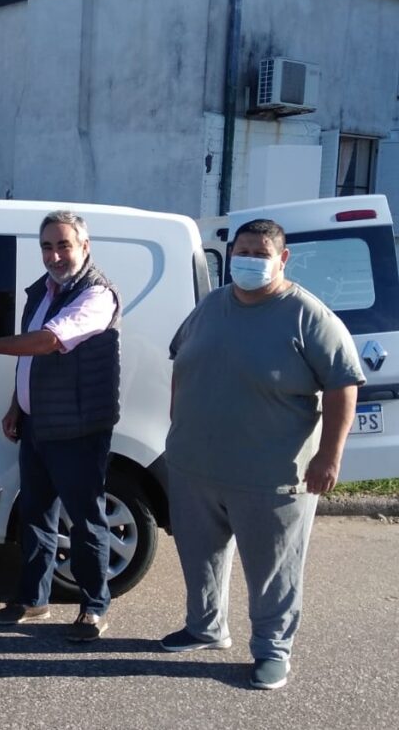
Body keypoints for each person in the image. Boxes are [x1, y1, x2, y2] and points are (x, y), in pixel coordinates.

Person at [159, 218, 365, 690]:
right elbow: (182, 359)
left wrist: (329, 456)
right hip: (195, 466)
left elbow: (343, 386)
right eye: (242, 252)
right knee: (200, 557)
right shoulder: (211, 305)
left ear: (282, 258)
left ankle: (273, 650)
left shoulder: (308, 316)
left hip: (270, 475)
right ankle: (205, 627)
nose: (249, 260)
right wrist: (178, 418)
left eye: (260, 253)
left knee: (274, 570)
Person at [0, 210, 120, 642]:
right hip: (38, 422)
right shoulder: (42, 291)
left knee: (86, 520)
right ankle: (32, 599)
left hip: (77, 427)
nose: (54, 255)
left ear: (85, 247)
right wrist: (16, 406)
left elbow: (49, 341)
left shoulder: (96, 295)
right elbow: (29, 358)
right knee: (35, 515)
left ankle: (94, 607)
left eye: (63, 245)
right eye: (47, 246)